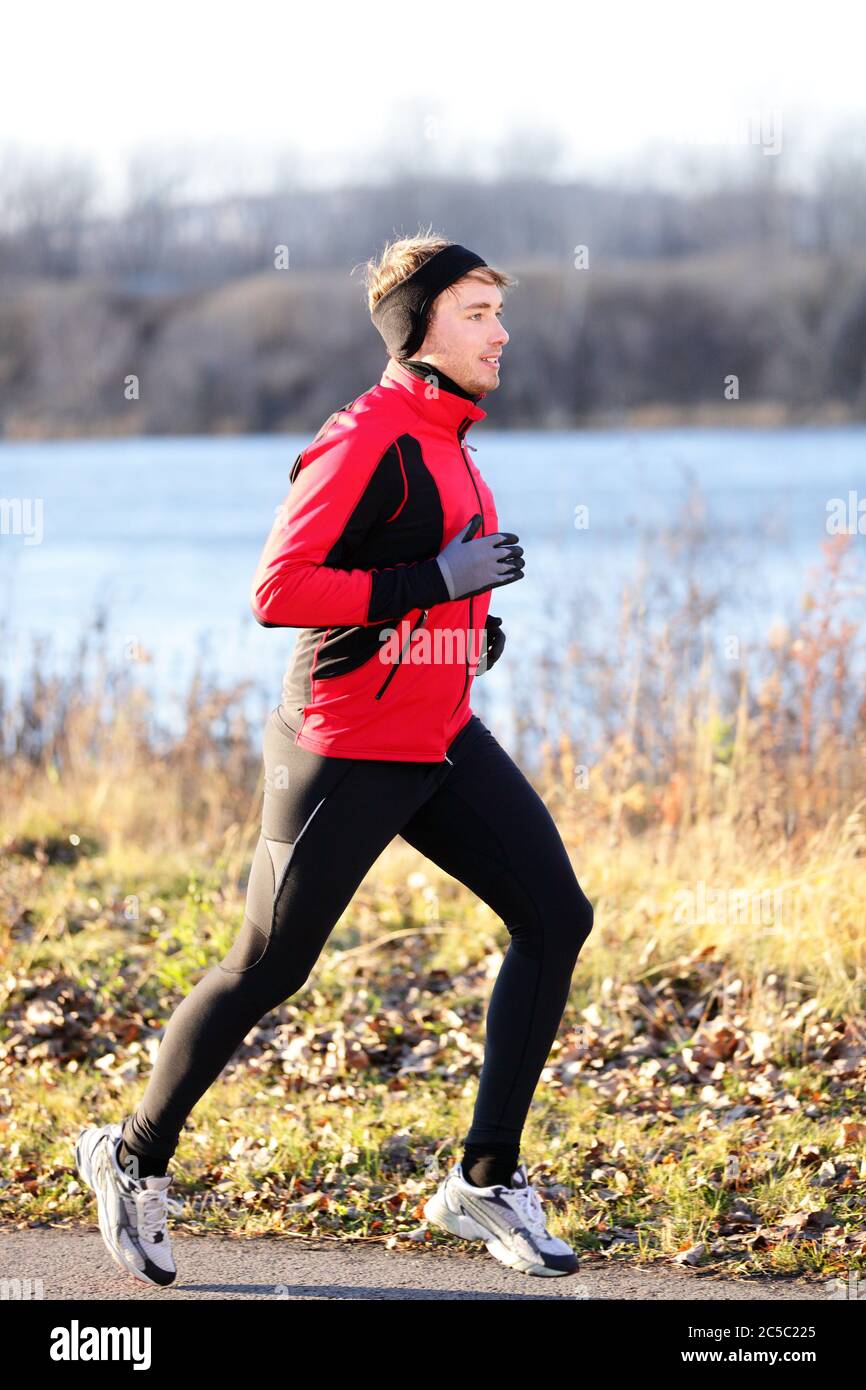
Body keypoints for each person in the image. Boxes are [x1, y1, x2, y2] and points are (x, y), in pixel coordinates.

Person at [74, 234, 594, 1284]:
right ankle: (129, 1156)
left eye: (499, 311)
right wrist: (430, 583)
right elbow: (280, 590)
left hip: (437, 735)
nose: (501, 332)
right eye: (477, 313)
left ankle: (485, 1178)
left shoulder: (451, 439)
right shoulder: (365, 437)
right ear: (420, 329)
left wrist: (465, 630)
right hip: (344, 746)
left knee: (554, 917)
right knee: (269, 965)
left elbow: (423, 582)